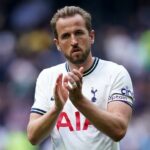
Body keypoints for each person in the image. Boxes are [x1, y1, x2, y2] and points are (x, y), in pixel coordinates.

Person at [27, 6, 134, 150]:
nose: (74, 41)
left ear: (91, 36)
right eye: (65, 36)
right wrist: (57, 108)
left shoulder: (115, 73)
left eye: (78, 33)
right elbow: (33, 137)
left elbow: (119, 130)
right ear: (57, 44)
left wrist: (79, 100)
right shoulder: (47, 77)